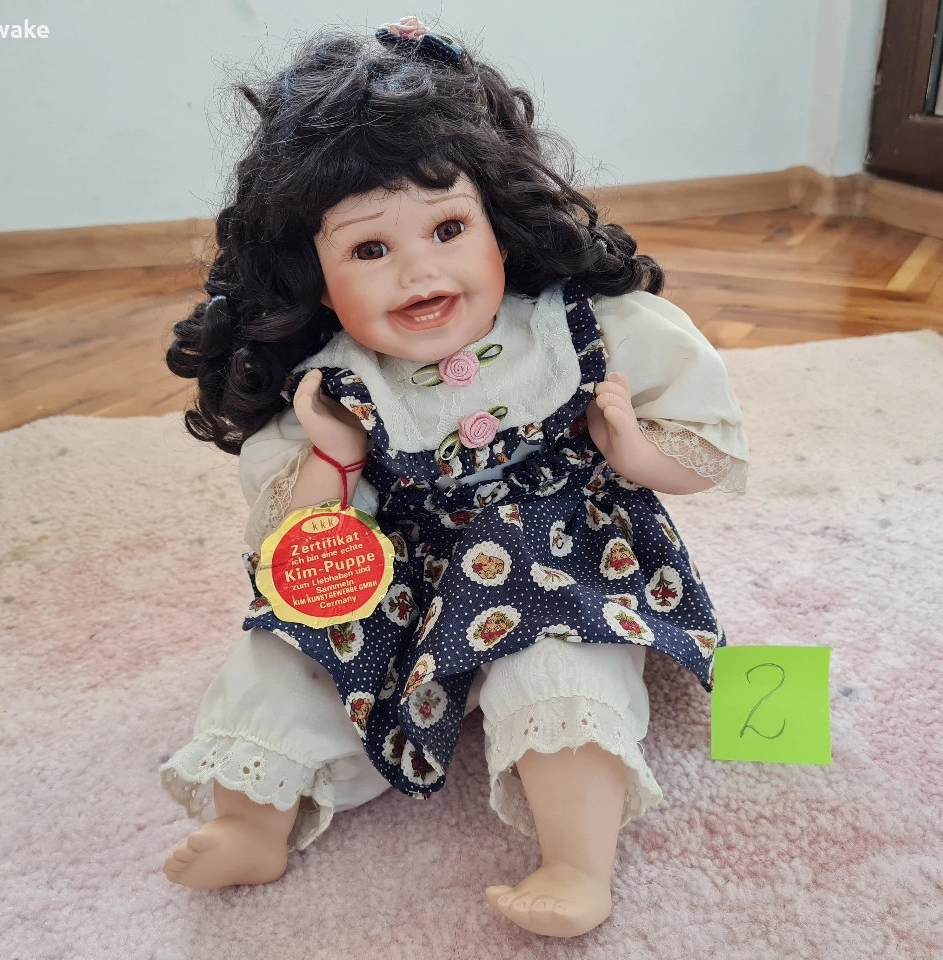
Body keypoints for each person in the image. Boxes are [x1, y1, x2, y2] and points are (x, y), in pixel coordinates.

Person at [158, 17, 749, 938]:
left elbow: (704, 440)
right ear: (312, 275)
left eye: (447, 228)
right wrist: (335, 458)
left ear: (499, 223)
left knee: (564, 663)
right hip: (397, 572)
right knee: (288, 645)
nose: (418, 270)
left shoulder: (575, 330)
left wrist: (631, 450)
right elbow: (293, 537)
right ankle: (251, 820)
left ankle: (577, 859)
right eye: (369, 250)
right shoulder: (332, 380)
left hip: (557, 559)